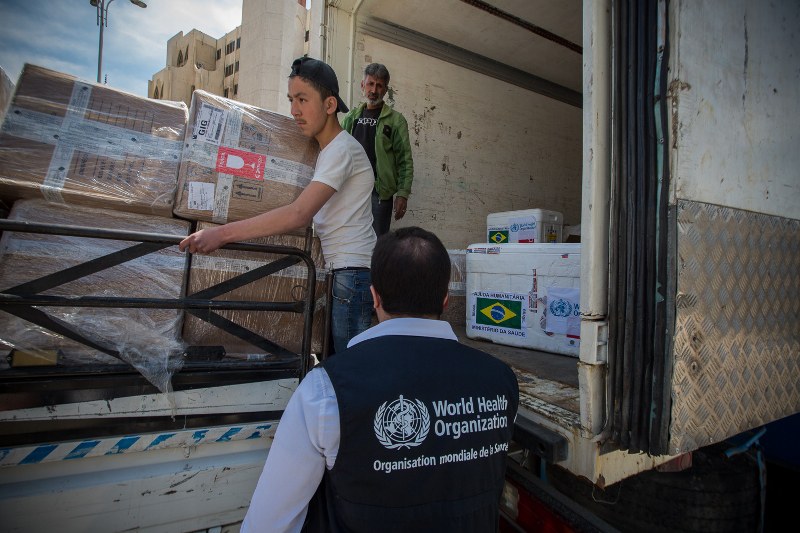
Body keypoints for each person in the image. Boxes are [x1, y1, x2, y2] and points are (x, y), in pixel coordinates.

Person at [241, 226, 520, 532]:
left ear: (374, 297)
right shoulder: (501, 381)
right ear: (445, 300)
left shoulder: (327, 388)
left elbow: (269, 522)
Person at [179, 57, 375, 354]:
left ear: (330, 105)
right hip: (343, 272)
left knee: (352, 366)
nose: (294, 110)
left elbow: (299, 214)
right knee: (342, 364)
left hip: (353, 274)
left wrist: (221, 234)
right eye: (291, 100)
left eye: (302, 99)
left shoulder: (342, 150)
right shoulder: (329, 152)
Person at [341, 63, 414, 237]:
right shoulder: (351, 117)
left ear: (385, 89)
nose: (374, 90)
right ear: (362, 85)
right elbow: (339, 151)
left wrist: (403, 194)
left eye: (379, 85)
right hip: (351, 190)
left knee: (378, 242)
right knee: (351, 238)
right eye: (370, 84)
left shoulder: (396, 121)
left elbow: (405, 159)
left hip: (379, 194)